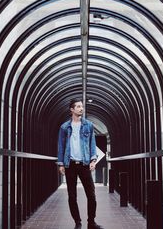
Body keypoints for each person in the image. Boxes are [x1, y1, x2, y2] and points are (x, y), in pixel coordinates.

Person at [57, 98, 103, 229]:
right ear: (72, 109)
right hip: (70, 164)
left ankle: (91, 222)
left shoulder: (88, 125)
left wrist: (93, 160)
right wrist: (61, 164)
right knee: (72, 196)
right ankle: (77, 222)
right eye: (78, 106)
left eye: (81, 106)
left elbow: (92, 144)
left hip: (84, 164)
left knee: (91, 195)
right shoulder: (64, 127)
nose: (81, 108)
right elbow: (61, 146)